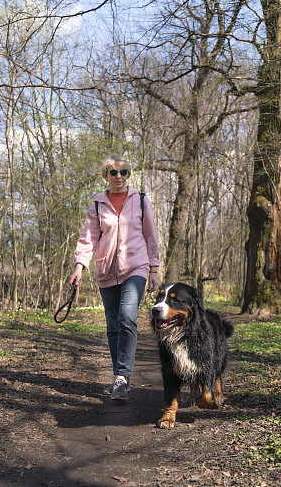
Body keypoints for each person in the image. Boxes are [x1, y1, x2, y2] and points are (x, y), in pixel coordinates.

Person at [70, 155, 160, 402]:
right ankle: (120, 376)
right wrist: (79, 266)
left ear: (129, 174)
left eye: (124, 172)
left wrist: (153, 268)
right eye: (113, 172)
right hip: (107, 270)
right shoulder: (98, 205)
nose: (119, 177)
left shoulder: (141, 201)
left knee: (127, 317)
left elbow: (150, 236)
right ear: (105, 175)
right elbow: (88, 239)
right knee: (112, 326)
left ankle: (122, 377)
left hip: (136, 266)